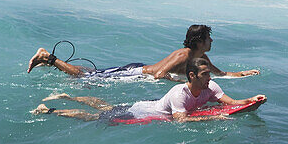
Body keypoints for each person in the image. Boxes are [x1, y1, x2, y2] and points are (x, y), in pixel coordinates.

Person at [33, 58, 265, 122]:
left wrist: (250, 100)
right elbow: (181, 121)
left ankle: (67, 96)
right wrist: (213, 119)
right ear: (192, 76)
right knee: (97, 116)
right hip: (140, 112)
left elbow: (230, 102)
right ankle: (51, 110)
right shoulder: (179, 94)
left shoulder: (211, 86)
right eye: (205, 75)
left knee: (105, 107)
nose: (209, 78)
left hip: (147, 108)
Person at [27, 24, 259, 80]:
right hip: (136, 73)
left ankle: (48, 62)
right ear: (199, 41)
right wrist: (179, 83)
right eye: (209, 38)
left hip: (138, 70)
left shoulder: (200, 57)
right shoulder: (184, 56)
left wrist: (243, 74)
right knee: (84, 75)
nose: (212, 41)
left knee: (90, 72)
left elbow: (221, 73)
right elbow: (159, 76)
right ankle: (48, 56)